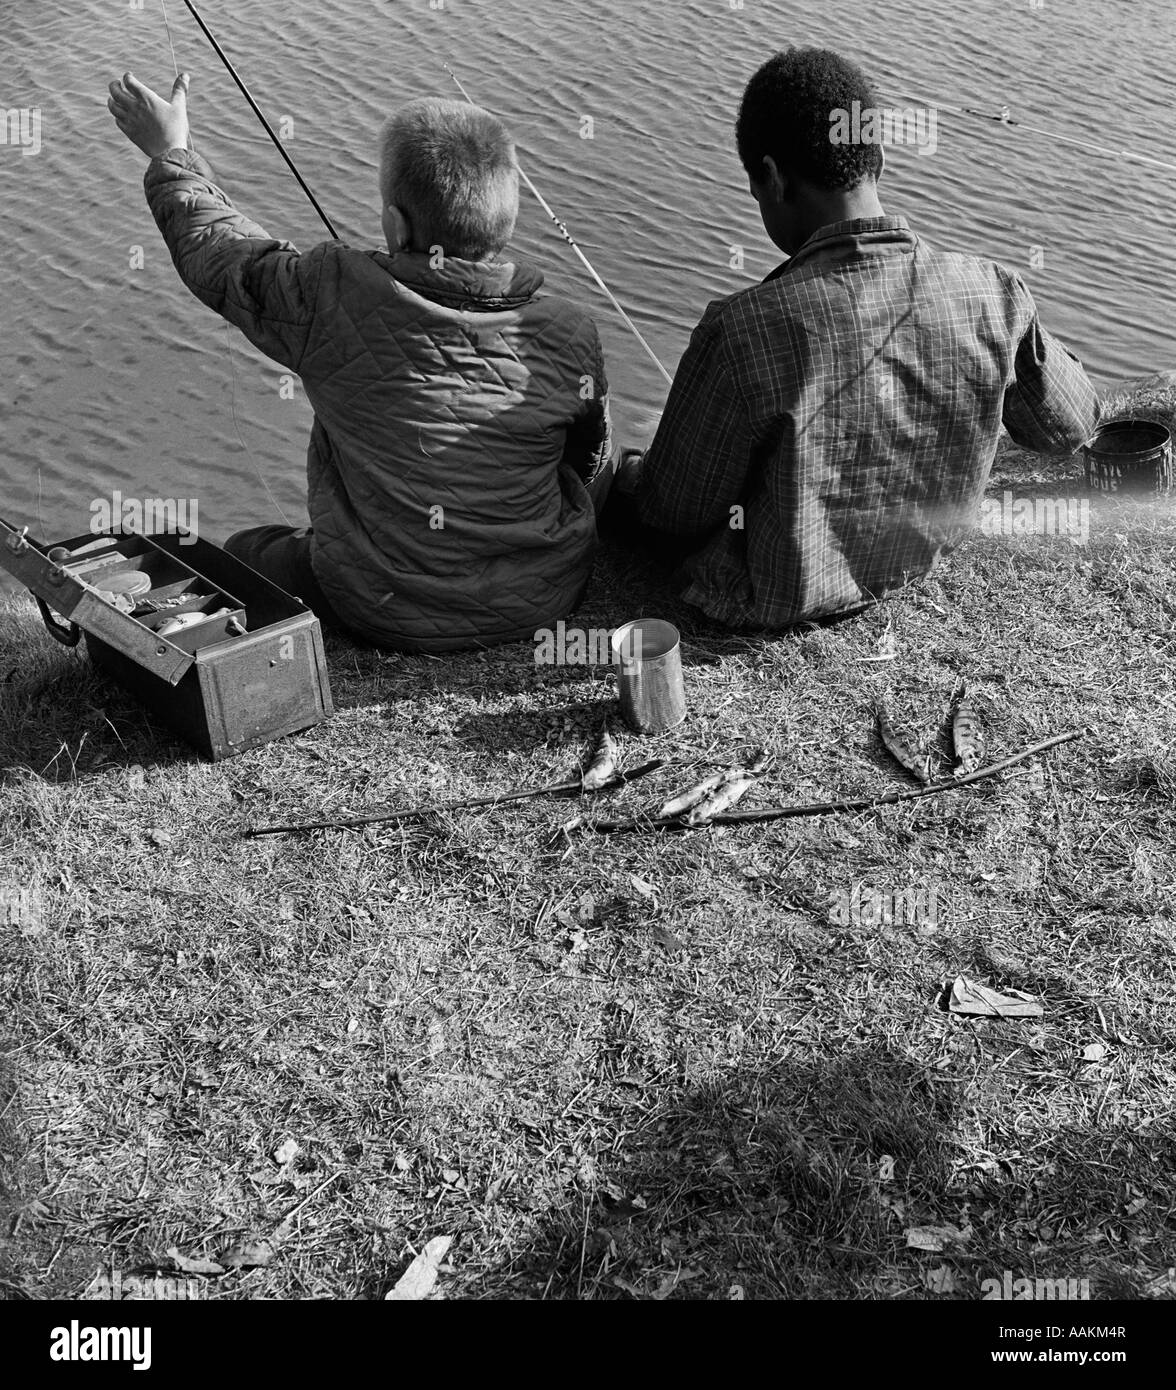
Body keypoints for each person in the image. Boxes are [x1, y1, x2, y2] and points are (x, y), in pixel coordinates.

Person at [106, 73, 615, 652]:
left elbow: (224, 255)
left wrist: (172, 152)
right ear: (507, 218)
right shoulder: (572, 330)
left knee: (248, 551)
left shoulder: (331, 292)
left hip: (375, 603)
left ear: (395, 225)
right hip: (542, 599)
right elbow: (587, 456)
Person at [611, 48, 1100, 631]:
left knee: (629, 479)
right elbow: (1072, 425)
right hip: (921, 563)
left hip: (770, 598)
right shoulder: (996, 292)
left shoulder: (741, 329)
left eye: (755, 190)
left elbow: (672, 514)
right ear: (881, 160)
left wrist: (631, 475)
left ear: (770, 177)